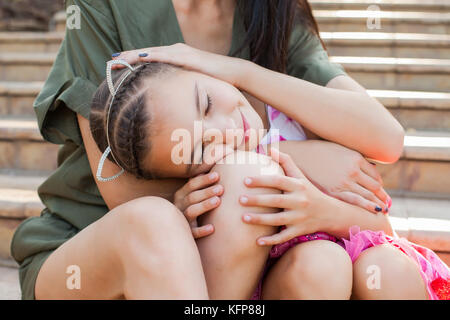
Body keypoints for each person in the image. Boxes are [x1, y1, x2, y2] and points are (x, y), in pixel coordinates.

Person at [9, 0, 407, 299]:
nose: (224, 127)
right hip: (90, 252)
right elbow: (123, 194)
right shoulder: (106, 6)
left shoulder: (271, 11)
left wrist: (235, 70)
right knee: (182, 208)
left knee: (330, 262)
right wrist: (296, 158)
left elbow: (386, 139)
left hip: (233, 266)